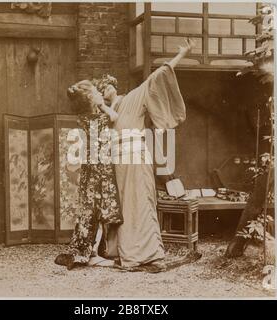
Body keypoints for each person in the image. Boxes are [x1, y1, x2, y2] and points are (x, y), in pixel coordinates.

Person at [98, 39, 195, 272]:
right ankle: (125, 252)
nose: (105, 88)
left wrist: (180, 55)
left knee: (141, 203)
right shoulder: (105, 114)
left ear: (115, 85)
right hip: (119, 162)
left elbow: (158, 76)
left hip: (136, 156)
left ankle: (150, 253)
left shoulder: (133, 97)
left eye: (107, 84)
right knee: (122, 207)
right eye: (101, 89)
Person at [55, 80, 123, 270]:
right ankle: (91, 254)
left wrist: (100, 103)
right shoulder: (95, 118)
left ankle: (92, 251)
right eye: (97, 93)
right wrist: (103, 105)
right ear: (92, 99)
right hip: (97, 169)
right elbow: (115, 115)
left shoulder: (88, 116)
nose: (101, 94)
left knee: (92, 209)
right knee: (96, 210)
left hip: (93, 168)